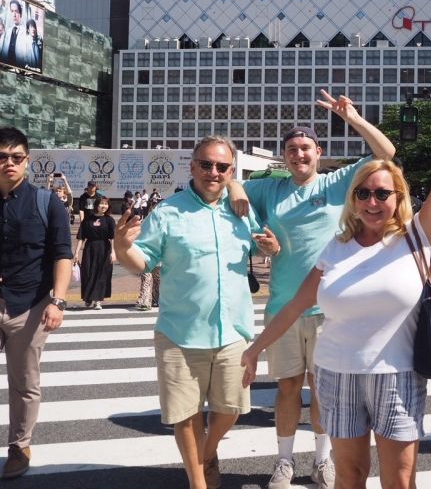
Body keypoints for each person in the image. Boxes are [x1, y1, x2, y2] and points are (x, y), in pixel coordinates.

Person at [241, 69, 431, 489]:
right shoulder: (337, 247)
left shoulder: (414, 236)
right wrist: (255, 350)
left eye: (383, 193)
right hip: (336, 374)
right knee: (349, 475)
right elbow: (293, 306)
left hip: (396, 374)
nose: (373, 201)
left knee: (399, 479)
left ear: (398, 197)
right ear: (353, 199)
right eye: (364, 193)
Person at [228, 89, 396, 488]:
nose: (299, 155)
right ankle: (284, 461)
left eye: (305, 148)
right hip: (284, 305)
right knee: (287, 389)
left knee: (323, 391)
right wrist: (238, 189)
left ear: (318, 152)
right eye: (291, 149)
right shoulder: (270, 189)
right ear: (283, 155)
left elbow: (386, 154)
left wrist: (352, 118)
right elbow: (228, 190)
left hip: (329, 309)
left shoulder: (338, 183)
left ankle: (323, 460)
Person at [114, 135, 260, 489]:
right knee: (186, 414)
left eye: (222, 166)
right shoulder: (168, 211)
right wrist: (121, 245)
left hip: (233, 330)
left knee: (231, 409)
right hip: (180, 331)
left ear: (231, 170)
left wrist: (270, 243)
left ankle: (207, 453)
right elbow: (142, 262)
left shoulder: (242, 209)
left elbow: (261, 240)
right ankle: (198, 480)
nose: (214, 172)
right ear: (192, 166)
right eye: (206, 164)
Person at [0, 127, 72, 479]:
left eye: (16, 157)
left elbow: (62, 254)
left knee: (24, 382)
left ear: (27, 161)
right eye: (2, 156)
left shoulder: (48, 203)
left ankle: (19, 445)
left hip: (28, 305)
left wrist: (57, 301)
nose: (8, 163)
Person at [74, 196, 116, 309]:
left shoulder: (110, 220)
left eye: (106, 204)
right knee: (87, 272)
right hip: (90, 248)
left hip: (104, 248)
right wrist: (76, 253)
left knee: (101, 274)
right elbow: (81, 237)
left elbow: (113, 238)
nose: (104, 206)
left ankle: (98, 300)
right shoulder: (88, 219)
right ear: (96, 205)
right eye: (102, 203)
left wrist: (113, 252)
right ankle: (88, 297)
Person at [3, 0, 26, 68]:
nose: (14, 15)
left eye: (16, 11)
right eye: (12, 11)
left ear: (20, 13)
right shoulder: (8, 32)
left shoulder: (25, 33)